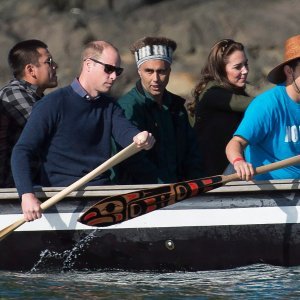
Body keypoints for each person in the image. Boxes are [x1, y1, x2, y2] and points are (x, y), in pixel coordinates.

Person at [11, 40, 155, 221]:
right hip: (59, 197)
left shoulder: (109, 106)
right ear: (88, 65)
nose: (113, 76)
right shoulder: (52, 104)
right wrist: (26, 195)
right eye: (108, 69)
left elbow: (125, 132)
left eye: (117, 71)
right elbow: (21, 151)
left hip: (99, 195)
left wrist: (140, 138)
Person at [113, 36, 203, 184]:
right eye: (149, 71)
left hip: (181, 192)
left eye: (161, 71)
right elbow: (131, 161)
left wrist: (195, 184)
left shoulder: (176, 106)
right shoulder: (127, 107)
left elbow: (192, 152)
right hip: (143, 194)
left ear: (169, 71)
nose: (156, 78)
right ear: (139, 71)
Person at [225, 34, 300, 181]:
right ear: (289, 71)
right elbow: (235, 143)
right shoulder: (267, 104)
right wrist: (239, 162)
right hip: (270, 193)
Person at [187, 39, 255, 176]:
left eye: (246, 64)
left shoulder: (234, 91)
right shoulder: (213, 94)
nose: (245, 70)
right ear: (221, 70)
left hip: (230, 170)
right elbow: (260, 105)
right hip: (210, 179)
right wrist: (285, 97)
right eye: (238, 67)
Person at [0, 39, 58, 188]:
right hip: (11, 191)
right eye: (49, 61)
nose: (55, 66)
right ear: (31, 70)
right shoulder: (13, 93)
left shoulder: (39, 99)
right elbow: (51, 131)